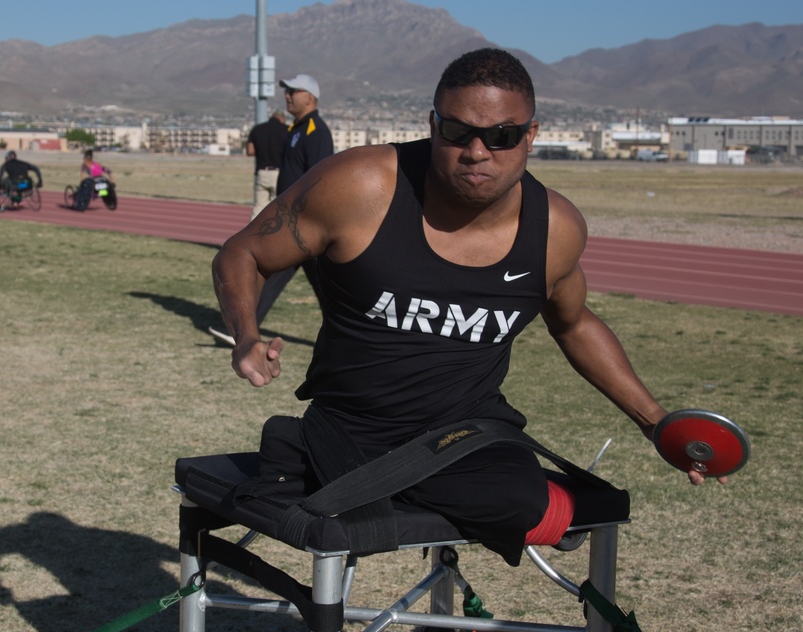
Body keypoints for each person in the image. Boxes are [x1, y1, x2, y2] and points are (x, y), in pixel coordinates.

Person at [211, 48, 725, 567]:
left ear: (530, 135)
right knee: (505, 500)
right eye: (458, 132)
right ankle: (309, 455)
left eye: (502, 136)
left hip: (464, 436)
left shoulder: (555, 230)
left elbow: (573, 323)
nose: (477, 152)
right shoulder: (362, 185)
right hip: (350, 425)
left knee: (516, 499)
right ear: (432, 125)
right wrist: (246, 334)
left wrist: (657, 422)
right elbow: (244, 251)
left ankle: (324, 467)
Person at [210, 75, 333, 347]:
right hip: (292, 225)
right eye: (286, 92)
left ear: (310, 97)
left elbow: (321, 180)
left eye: (293, 91)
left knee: (325, 286)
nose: (287, 96)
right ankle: (243, 332)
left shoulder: (316, 130)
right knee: (274, 274)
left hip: (306, 226)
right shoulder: (295, 129)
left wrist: (310, 222)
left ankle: (348, 337)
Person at [247, 110, 288, 221]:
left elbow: (250, 151)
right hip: (279, 174)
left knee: (258, 207)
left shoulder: (257, 129)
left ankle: (251, 234)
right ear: (283, 119)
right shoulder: (287, 130)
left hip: (261, 172)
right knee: (279, 207)